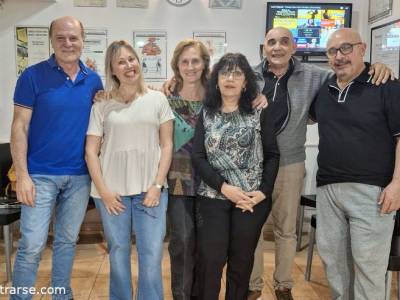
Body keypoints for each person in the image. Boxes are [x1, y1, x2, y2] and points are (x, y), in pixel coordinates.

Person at [248, 27, 394, 300]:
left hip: (293, 165)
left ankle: (283, 285)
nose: (277, 47)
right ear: (263, 47)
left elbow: (353, 73)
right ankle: (253, 286)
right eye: (271, 42)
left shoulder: (317, 76)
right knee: (254, 230)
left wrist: (378, 66)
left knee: (288, 230)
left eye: (284, 42)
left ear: (294, 48)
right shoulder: (250, 77)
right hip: (257, 167)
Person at [10, 16, 103, 299]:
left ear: (83, 40)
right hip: (39, 175)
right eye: (61, 37)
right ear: (51, 40)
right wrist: (22, 175)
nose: (67, 43)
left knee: (66, 242)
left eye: (73, 37)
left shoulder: (93, 79)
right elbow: (19, 126)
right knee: (32, 245)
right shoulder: (32, 76)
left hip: (79, 176)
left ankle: (62, 295)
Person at [310, 28, 400, 300]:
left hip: (372, 193)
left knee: (368, 268)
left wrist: (397, 184)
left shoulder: (387, 86)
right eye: (332, 51)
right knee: (335, 264)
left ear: (362, 49)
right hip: (328, 190)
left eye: (346, 48)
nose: (339, 56)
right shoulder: (324, 90)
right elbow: (307, 116)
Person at [85, 40, 174, 300]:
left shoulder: (158, 99)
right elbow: (91, 151)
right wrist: (104, 192)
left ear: (139, 62)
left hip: (151, 192)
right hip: (112, 195)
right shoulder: (101, 104)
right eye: (121, 62)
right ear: (112, 69)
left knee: (151, 253)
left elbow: (167, 145)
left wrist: (157, 185)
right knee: (118, 251)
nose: (128, 65)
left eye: (131, 59)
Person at [191, 52, 280, 300]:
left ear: (246, 81)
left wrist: (263, 192)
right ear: (216, 79)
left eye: (237, 73)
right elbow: (198, 157)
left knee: (241, 263)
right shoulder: (206, 113)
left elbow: (273, 154)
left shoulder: (259, 110)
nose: (230, 78)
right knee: (211, 260)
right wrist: (224, 188)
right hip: (213, 196)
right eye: (224, 72)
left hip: (252, 199)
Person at [167, 39, 209, 300]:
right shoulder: (166, 96)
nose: (191, 66)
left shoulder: (217, 95)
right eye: (185, 61)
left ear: (204, 64)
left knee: (207, 247)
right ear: (177, 65)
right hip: (178, 181)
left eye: (196, 60)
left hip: (211, 182)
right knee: (181, 243)